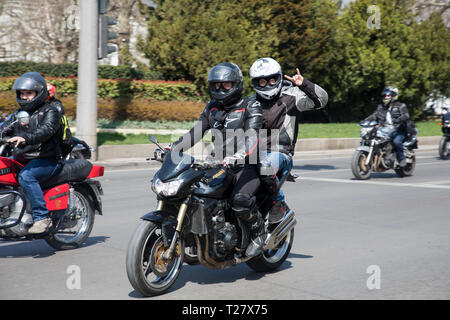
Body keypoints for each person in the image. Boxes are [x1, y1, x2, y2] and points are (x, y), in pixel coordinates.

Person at [169, 62, 265, 257]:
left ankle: (258, 232)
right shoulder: (212, 108)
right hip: (218, 164)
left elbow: (252, 136)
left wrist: (239, 155)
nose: (221, 89)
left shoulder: (250, 105)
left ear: (237, 84)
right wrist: (173, 148)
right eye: (216, 85)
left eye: (226, 85)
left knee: (239, 200)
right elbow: (196, 132)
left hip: (246, 165)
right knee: (192, 192)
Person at [249, 57, 328, 225]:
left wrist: (304, 84)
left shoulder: (292, 96)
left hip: (279, 153)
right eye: (262, 81)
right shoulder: (251, 102)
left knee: (265, 167)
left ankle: (279, 203)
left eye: (272, 79)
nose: (268, 84)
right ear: (255, 82)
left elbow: (322, 100)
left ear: (278, 78)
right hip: (253, 154)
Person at [3, 72, 64, 234]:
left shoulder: (51, 111)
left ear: (39, 93)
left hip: (47, 159)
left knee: (26, 176)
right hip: (22, 158)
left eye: (29, 93)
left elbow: (45, 131)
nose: (25, 97)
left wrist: (24, 138)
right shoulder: (18, 114)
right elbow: (4, 129)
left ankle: (41, 217)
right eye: (22, 94)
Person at [363, 86, 410, 167]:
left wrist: (398, 120)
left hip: (398, 129)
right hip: (384, 128)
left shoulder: (400, 105)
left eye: (388, 95)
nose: (385, 97)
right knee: (370, 137)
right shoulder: (381, 107)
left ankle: (401, 158)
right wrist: (365, 121)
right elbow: (374, 115)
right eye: (384, 96)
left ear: (393, 96)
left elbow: (406, 115)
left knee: (396, 142)